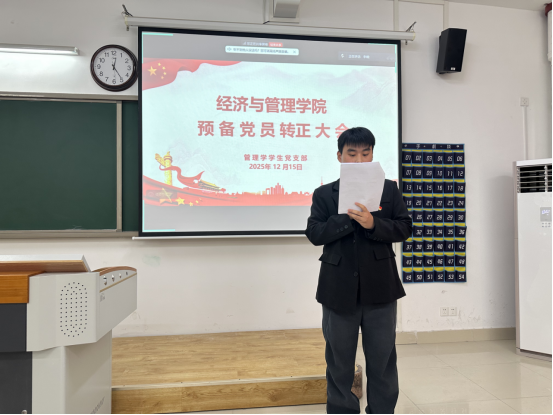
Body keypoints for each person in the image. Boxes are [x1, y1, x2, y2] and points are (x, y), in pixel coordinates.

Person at [305, 127, 412, 415]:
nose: (359, 160)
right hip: (337, 290)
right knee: (339, 362)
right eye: (352, 154)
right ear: (340, 156)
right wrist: (346, 218)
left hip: (381, 288)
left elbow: (404, 228)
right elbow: (314, 233)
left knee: (383, 361)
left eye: (366, 153)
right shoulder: (324, 194)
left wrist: (373, 224)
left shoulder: (388, 190)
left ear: (372, 155)